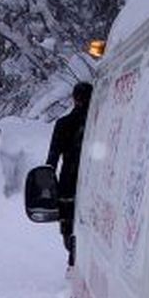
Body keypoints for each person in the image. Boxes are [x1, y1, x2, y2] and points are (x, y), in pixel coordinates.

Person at [47, 82, 93, 266]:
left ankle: (74, 261)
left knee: (70, 228)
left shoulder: (63, 124)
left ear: (74, 99)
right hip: (97, 183)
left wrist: (50, 187)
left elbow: (52, 159)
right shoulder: (101, 122)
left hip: (70, 184)